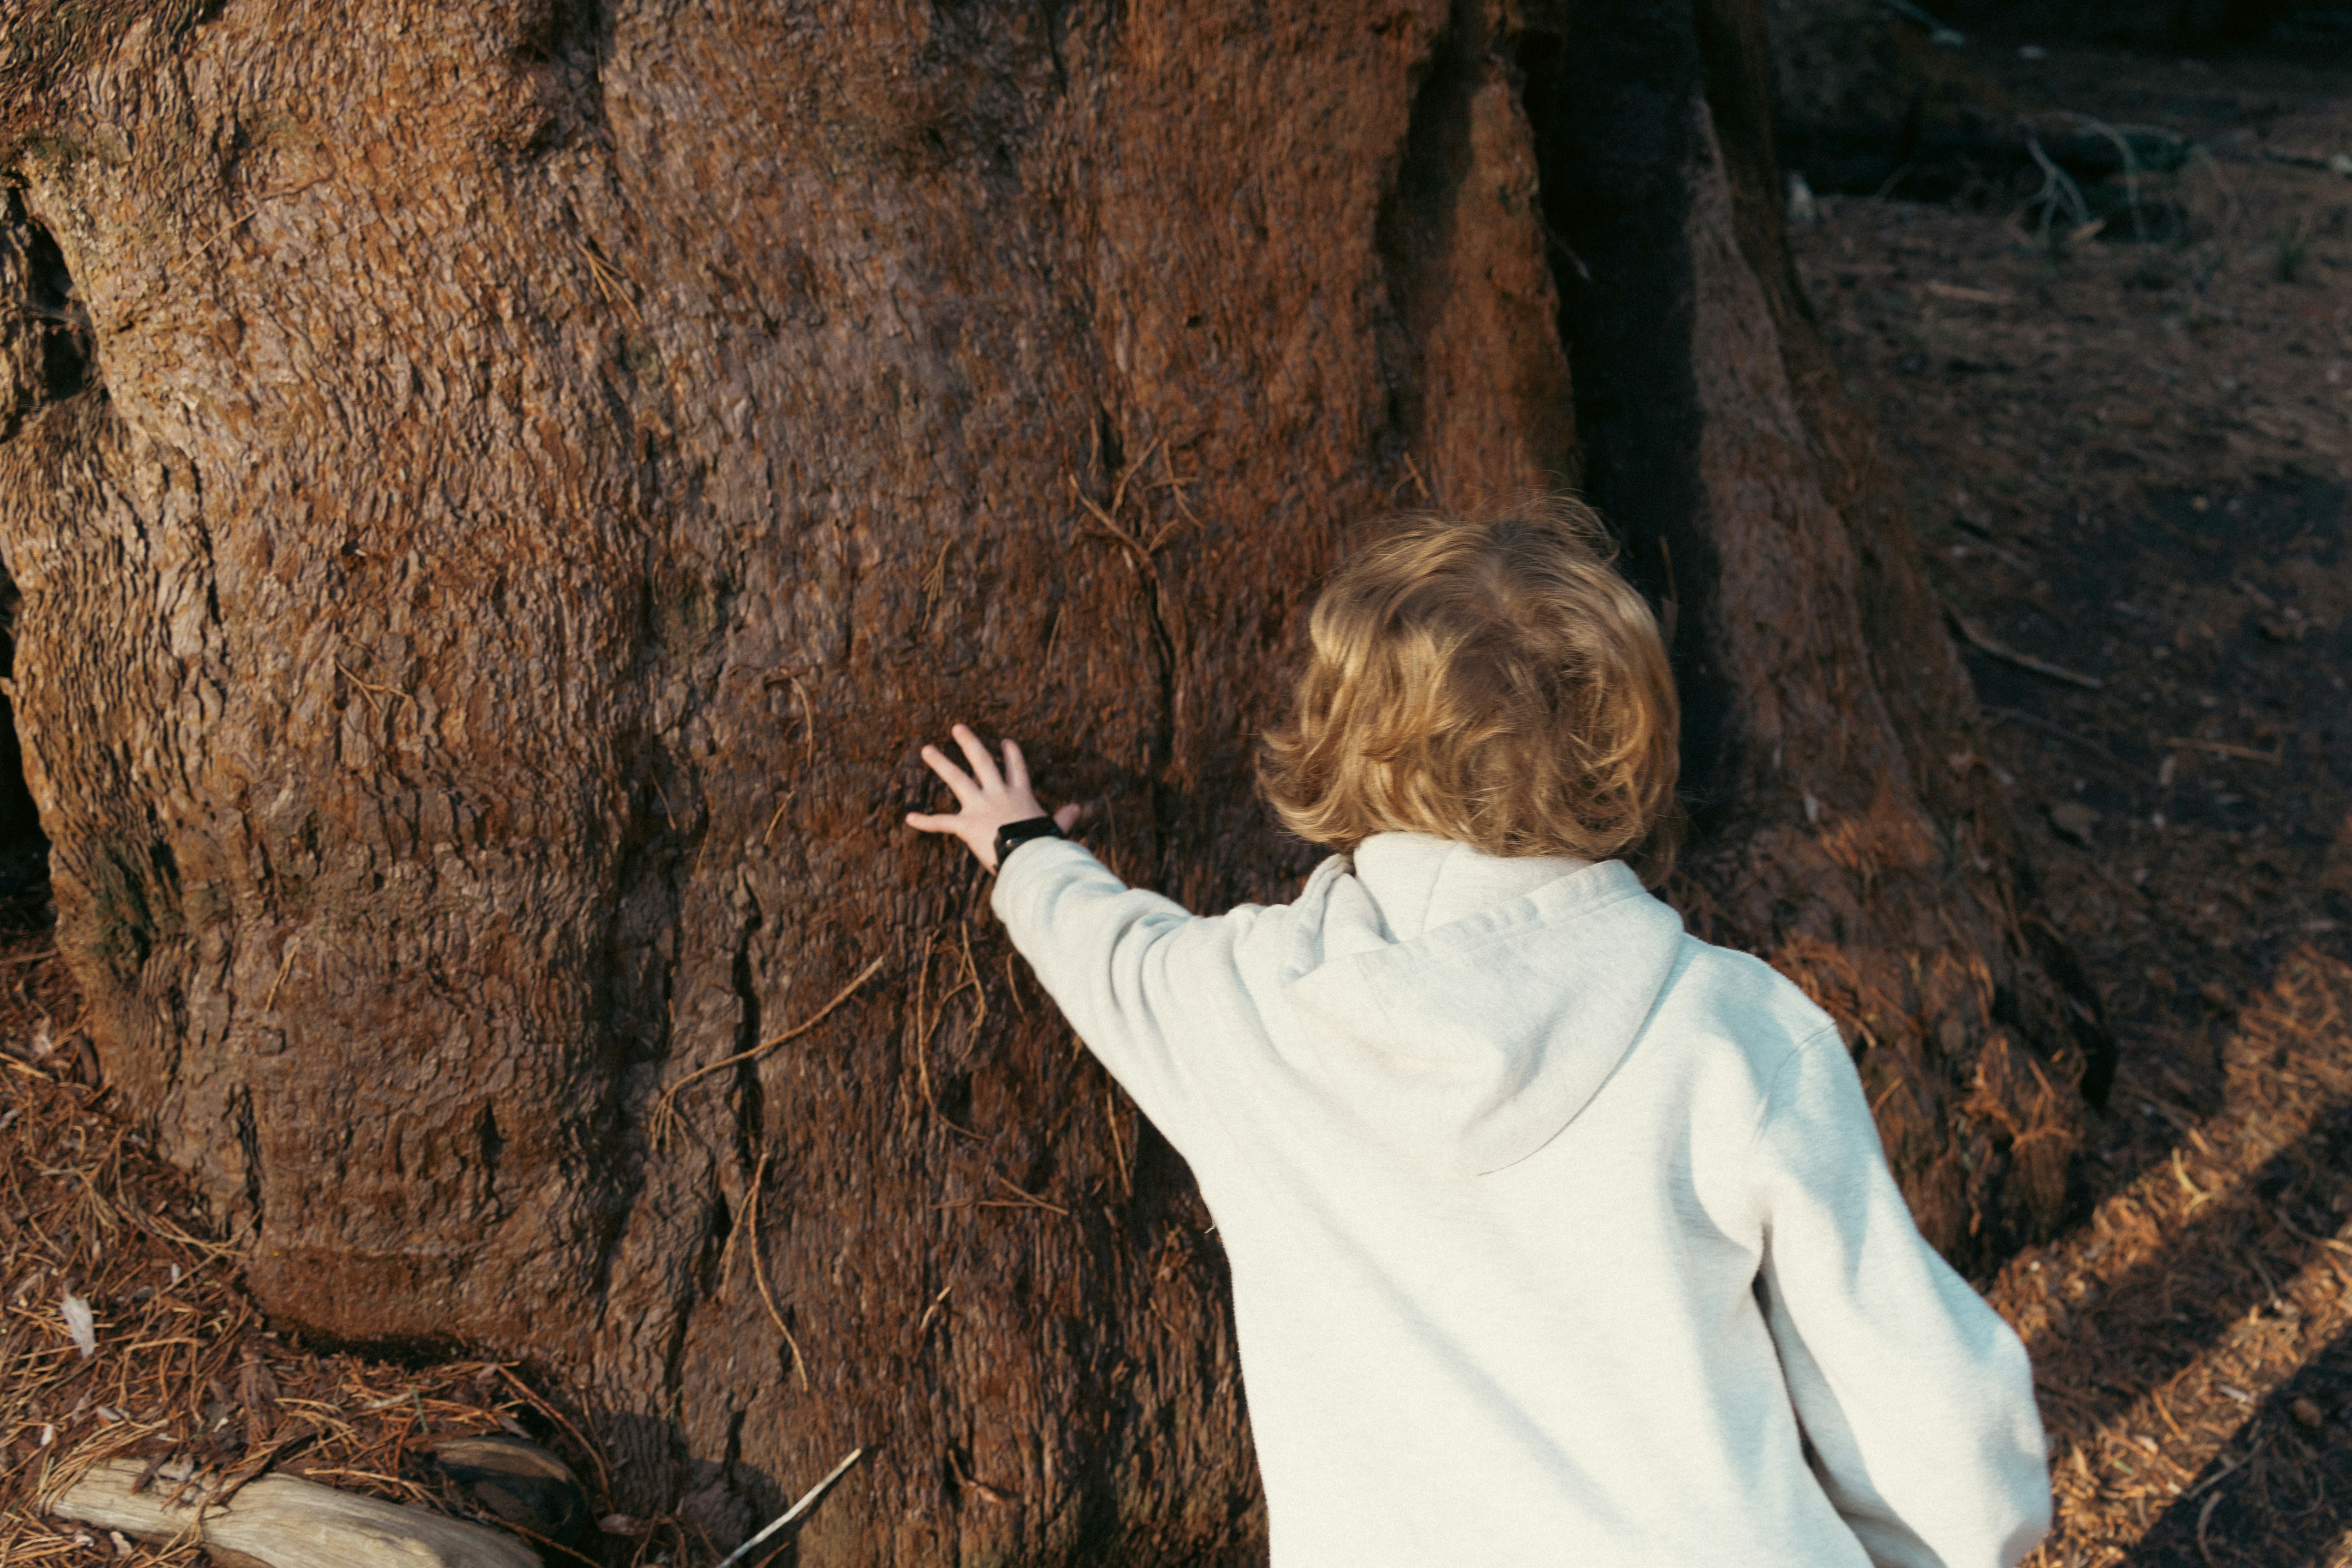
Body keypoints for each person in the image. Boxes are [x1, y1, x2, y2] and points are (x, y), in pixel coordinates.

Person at [905, 501, 2050, 1567]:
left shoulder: (1245, 1006)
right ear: (1622, 740)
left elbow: (1114, 958)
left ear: (1341, 739)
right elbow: (1923, 1401)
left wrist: (1023, 852)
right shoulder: (1733, 1029)